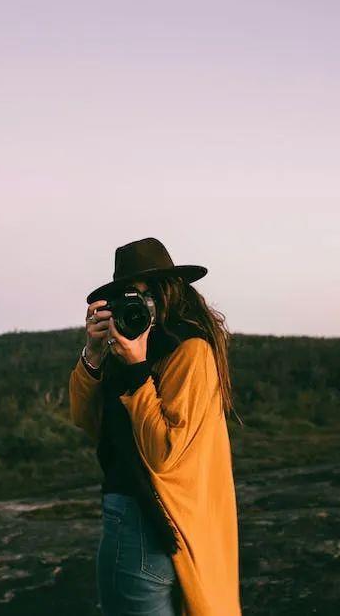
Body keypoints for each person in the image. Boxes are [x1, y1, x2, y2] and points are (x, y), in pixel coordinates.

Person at [68, 237, 244, 616]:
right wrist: (95, 354)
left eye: (147, 296)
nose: (139, 307)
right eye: (128, 298)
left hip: (147, 520)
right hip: (146, 518)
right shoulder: (127, 347)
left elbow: (165, 455)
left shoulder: (188, 350)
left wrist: (136, 369)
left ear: (171, 291)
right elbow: (86, 419)